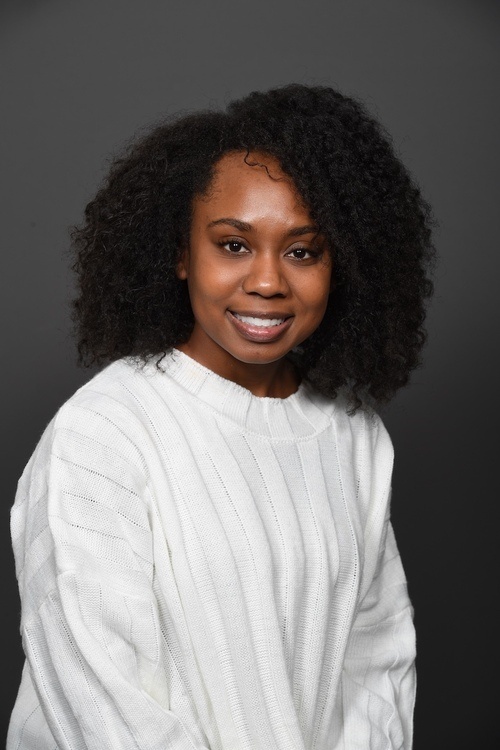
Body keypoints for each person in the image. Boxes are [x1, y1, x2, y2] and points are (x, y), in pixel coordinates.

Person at [8, 83, 434, 749]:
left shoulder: (353, 435)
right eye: (233, 245)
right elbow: (100, 700)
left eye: (302, 251)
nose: (267, 281)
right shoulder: (104, 432)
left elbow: (374, 665)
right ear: (181, 254)